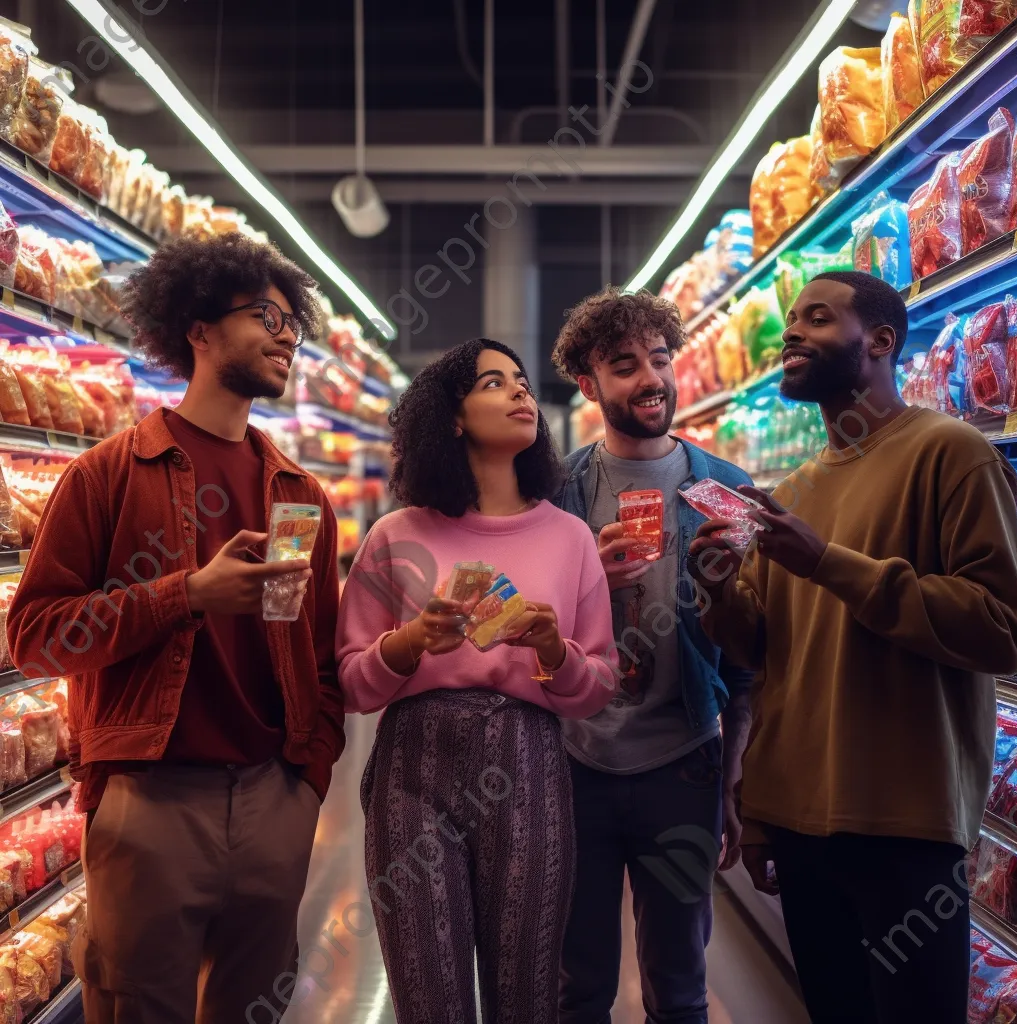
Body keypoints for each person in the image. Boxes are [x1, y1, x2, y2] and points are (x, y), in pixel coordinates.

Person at [6, 233, 345, 1023]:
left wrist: (308, 781)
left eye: (295, 322)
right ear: (197, 327)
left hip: (273, 797)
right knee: (138, 1006)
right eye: (267, 315)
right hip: (149, 800)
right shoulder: (108, 475)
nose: (287, 335)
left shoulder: (301, 494)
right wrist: (185, 593)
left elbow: (323, 657)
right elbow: (35, 636)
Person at [689, 271, 1017, 1023]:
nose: (791, 334)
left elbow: (1003, 628)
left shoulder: (952, 453)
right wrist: (714, 588)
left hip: (905, 822)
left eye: (816, 318)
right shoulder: (800, 487)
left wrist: (828, 564)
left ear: (879, 342)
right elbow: (768, 651)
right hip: (803, 825)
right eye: (791, 321)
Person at [336, 338, 617, 1024]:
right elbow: (352, 683)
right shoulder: (394, 535)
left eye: (522, 382)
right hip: (412, 773)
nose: (522, 393)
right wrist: (408, 644)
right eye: (495, 383)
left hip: (531, 768)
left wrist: (556, 650)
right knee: (428, 996)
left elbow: (598, 687)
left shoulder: (571, 538)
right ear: (453, 418)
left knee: (526, 995)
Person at [551, 287, 755, 1024]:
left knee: (679, 986)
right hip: (576, 766)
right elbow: (524, 627)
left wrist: (734, 774)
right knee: (579, 985)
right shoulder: (555, 492)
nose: (650, 379)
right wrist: (585, 581)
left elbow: (747, 654)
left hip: (685, 761)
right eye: (625, 364)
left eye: (660, 359)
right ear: (589, 385)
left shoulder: (725, 491)